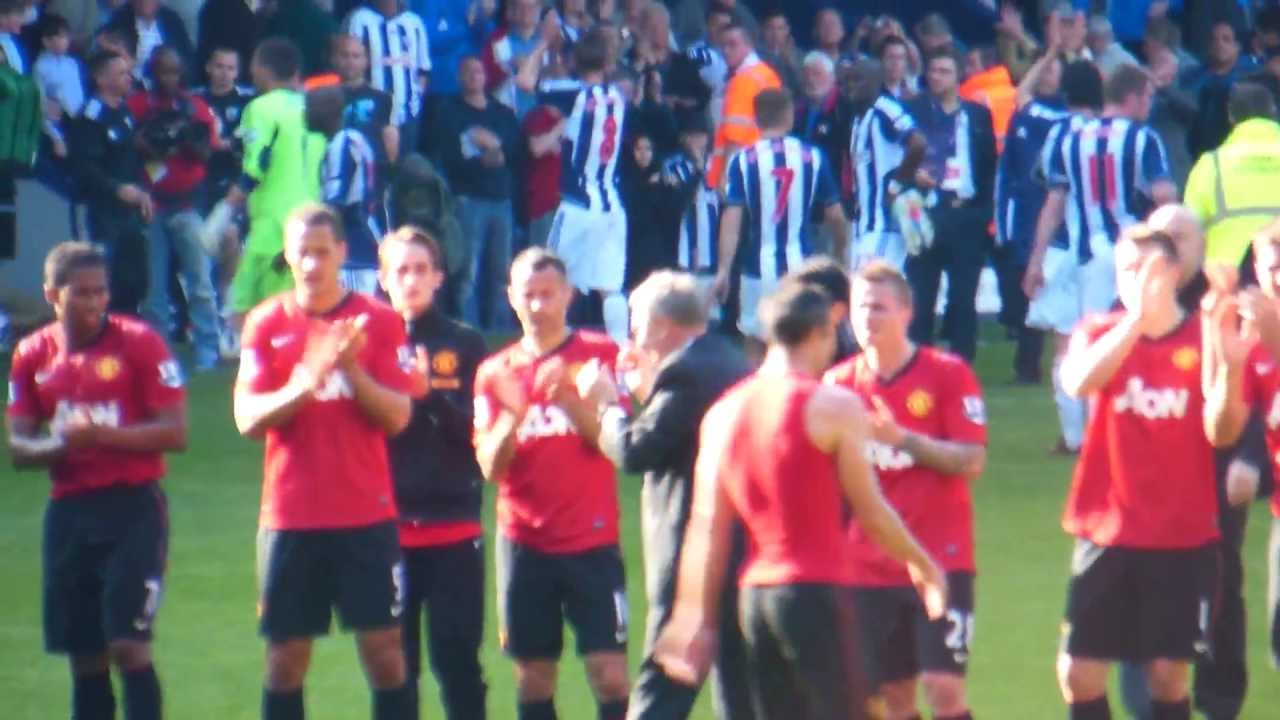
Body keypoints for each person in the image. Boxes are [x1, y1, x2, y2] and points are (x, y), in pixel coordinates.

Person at [652, 281, 947, 720]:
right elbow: (871, 510)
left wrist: (694, 615)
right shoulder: (833, 405)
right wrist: (923, 562)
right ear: (820, 333)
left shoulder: (723, 412)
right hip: (816, 592)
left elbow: (707, 528)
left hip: (753, 599)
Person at [233, 203, 416, 720]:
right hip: (291, 517)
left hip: (365, 515)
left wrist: (351, 371)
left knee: (385, 655)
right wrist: (303, 384)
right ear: (287, 257)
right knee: (285, 660)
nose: (311, 265)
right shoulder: (267, 324)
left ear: (341, 252)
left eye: (321, 252)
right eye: (301, 254)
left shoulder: (378, 322)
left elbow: (397, 417)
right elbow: (247, 419)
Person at [1055, 225, 1235, 720]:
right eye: (1126, 269)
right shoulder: (1099, 331)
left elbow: (1221, 429)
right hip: (1107, 530)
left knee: (1166, 676)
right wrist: (1135, 319)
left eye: (1146, 268)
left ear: (1175, 274)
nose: (1133, 278)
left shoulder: (1204, 338)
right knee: (1078, 671)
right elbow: (1077, 382)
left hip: (1182, 537)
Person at [6, 241, 187, 720]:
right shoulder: (31, 355)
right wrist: (62, 446)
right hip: (69, 513)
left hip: (134, 510)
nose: (94, 303)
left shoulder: (140, 342)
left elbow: (176, 431)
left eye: (100, 292)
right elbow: (19, 447)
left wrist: (102, 434)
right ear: (52, 294)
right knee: (85, 656)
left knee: (129, 646)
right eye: (81, 293)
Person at [576, 270, 754, 720]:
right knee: (738, 693)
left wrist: (604, 404)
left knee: (661, 692)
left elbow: (635, 452)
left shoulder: (685, 373)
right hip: (743, 551)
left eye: (636, 322)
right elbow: (677, 432)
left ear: (660, 325)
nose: (632, 334)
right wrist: (648, 393)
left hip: (693, 557)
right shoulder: (730, 360)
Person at [472, 247, 630, 720]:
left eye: (548, 295)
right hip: (525, 543)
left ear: (568, 296)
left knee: (609, 673)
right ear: (511, 299)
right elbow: (490, 468)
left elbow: (614, 445)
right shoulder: (495, 373)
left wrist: (566, 397)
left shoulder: (599, 357)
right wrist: (514, 417)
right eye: (529, 296)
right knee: (534, 677)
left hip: (592, 540)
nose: (538, 306)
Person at [825, 261, 987, 720]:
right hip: (865, 568)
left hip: (941, 559)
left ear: (907, 313)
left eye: (879, 307)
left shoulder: (947, 374)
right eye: (860, 308)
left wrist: (903, 441)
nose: (868, 319)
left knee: (943, 688)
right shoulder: (838, 386)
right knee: (891, 700)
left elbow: (971, 459)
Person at [1023, 62, 1175, 454]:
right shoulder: (1143, 138)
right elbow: (1163, 197)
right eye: (1148, 98)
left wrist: (1035, 261)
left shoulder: (1067, 137)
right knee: (1141, 339)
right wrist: (1173, 248)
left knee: (1087, 343)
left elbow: (1053, 203)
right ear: (1133, 98)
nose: (1149, 106)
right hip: (1136, 254)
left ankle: (1080, 437)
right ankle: (1126, 430)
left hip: (1088, 255)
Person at [378, 226, 488, 720]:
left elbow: (477, 433)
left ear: (439, 277)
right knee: (393, 667)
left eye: (421, 269)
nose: (411, 280)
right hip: (386, 531)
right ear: (383, 278)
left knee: (457, 662)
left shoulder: (464, 344)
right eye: (401, 270)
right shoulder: (368, 342)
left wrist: (428, 396)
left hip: (453, 526)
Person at [515, 26, 630, 343]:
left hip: (578, 203)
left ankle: (548, 344)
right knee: (611, 288)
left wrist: (543, 43)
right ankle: (624, 357)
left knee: (550, 275)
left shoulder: (574, 93)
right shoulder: (618, 97)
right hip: (611, 204)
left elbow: (524, 81)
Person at [715, 88, 847, 357]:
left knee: (754, 339)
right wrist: (840, 254)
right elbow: (836, 216)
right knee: (803, 337)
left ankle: (761, 395)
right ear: (789, 116)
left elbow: (732, 220)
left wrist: (723, 270)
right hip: (802, 265)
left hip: (756, 267)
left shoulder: (743, 160)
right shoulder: (812, 156)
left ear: (756, 119)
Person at [127, 45, 222, 371]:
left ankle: (208, 353)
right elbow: (131, 148)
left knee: (201, 284)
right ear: (152, 72)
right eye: (162, 71)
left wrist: (186, 141)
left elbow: (207, 151)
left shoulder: (194, 106)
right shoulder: (138, 104)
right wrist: (151, 141)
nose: (169, 78)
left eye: (174, 71)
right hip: (150, 205)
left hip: (187, 203)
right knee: (154, 290)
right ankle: (160, 360)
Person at [902, 49, 997, 362]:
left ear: (958, 76)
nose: (936, 77)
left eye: (944, 71)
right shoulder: (914, 112)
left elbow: (987, 165)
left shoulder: (977, 115)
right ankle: (919, 363)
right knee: (921, 295)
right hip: (926, 210)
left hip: (965, 213)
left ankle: (961, 366)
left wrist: (983, 211)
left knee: (963, 298)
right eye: (933, 71)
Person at [224, 37, 326, 324]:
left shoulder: (261, 108)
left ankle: (260, 365)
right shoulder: (313, 109)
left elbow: (255, 166)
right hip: (310, 219)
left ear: (262, 68)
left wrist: (232, 199)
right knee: (295, 308)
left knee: (250, 311)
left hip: (273, 226)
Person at [996, 53, 1066, 384]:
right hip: (1024, 210)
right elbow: (1021, 92)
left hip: (1055, 209)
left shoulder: (1067, 115)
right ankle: (1027, 362)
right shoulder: (1031, 110)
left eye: (1055, 67)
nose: (1049, 73)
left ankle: (1033, 364)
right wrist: (1049, 51)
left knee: (1040, 288)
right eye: (1046, 67)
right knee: (1022, 288)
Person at [68, 49, 154, 315]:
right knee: (106, 276)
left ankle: (128, 331)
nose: (129, 78)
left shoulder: (125, 112)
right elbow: (85, 168)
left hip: (130, 212)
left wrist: (144, 194)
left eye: (128, 72)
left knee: (134, 278)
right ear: (101, 78)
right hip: (102, 212)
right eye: (121, 73)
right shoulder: (91, 117)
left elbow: (133, 160)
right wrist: (117, 189)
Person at [437, 54, 519, 330]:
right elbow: (450, 156)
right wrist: (486, 153)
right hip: (467, 199)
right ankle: (467, 331)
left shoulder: (502, 114)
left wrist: (491, 147)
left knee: (500, 274)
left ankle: (499, 332)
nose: (475, 76)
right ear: (460, 77)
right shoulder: (450, 111)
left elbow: (511, 152)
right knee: (466, 273)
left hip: (501, 200)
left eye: (479, 71)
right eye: (468, 72)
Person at [1184, 82, 1280, 283]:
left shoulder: (1211, 165)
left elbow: (1188, 229)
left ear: (1230, 117)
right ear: (1273, 111)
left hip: (1229, 280)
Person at [846, 57, 927, 271]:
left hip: (884, 225)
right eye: (847, 81)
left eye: (857, 80)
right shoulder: (857, 119)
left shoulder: (885, 110)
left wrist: (896, 185)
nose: (851, 86)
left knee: (874, 291)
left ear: (875, 81)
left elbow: (918, 143)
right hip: (864, 225)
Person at [306, 85, 383, 295]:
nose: (307, 112)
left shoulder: (343, 141)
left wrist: (308, 239)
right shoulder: (354, 138)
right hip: (363, 242)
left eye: (311, 106)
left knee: (352, 319)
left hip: (354, 246)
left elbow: (335, 203)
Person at [344, 0, 431, 153]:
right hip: (372, 116)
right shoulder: (360, 20)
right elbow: (351, 65)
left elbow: (423, 69)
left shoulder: (414, 23)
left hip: (408, 115)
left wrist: (416, 100)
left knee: (406, 168)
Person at [706, 21, 781, 191]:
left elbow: (735, 135)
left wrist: (725, 176)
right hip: (767, 164)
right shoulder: (768, 75)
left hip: (741, 170)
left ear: (749, 45)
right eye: (723, 45)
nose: (726, 51)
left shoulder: (742, 81)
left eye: (732, 45)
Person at [332, 34, 400, 169]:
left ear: (366, 61)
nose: (350, 61)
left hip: (370, 170)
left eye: (356, 56)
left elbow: (390, 138)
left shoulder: (382, 98)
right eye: (345, 55)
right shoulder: (325, 97)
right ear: (334, 59)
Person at [101, 0, 193, 80]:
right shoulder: (118, 21)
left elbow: (187, 59)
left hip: (168, 88)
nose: (145, 1)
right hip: (133, 88)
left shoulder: (171, 20)